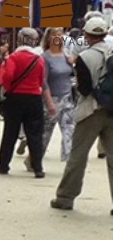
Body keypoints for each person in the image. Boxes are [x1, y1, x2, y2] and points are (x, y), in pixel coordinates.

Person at [51, 14, 113, 211]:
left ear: (86, 35)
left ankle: (65, 197)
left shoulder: (84, 57)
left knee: (78, 155)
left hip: (90, 111)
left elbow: (84, 89)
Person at [0, 27, 48, 178]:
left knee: (10, 133)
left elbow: (7, 77)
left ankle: (3, 165)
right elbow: (41, 80)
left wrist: (8, 89)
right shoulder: (39, 59)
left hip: (16, 99)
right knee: (35, 134)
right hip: (34, 98)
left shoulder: (13, 58)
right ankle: (37, 167)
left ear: (19, 40)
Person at [42, 28, 76, 163]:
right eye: (54, 35)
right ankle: (34, 158)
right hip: (52, 98)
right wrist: (49, 102)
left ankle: (69, 161)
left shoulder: (66, 55)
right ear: (48, 38)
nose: (58, 37)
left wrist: (73, 63)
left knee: (69, 131)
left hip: (67, 98)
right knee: (45, 133)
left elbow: (73, 75)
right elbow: (43, 81)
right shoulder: (44, 57)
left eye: (60, 34)